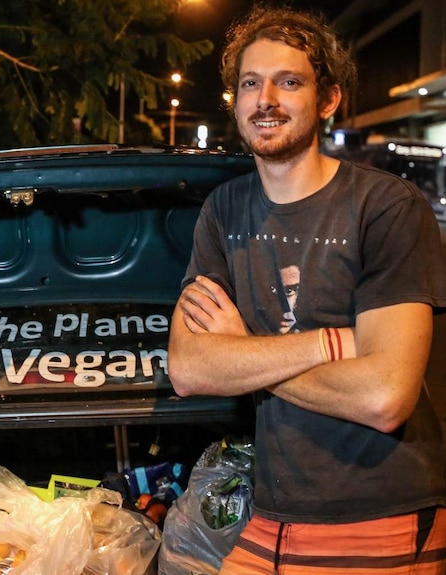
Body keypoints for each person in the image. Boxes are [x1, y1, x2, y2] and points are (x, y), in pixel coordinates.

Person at [168, 6, 446, 574]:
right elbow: (191, 368)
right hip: (272, 512)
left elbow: (385, 397)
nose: (265, 98)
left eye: (288, 81)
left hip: (380, 509)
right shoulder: (224, 211)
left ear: (327, 100)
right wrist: (333, 344)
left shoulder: (386, 208)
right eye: (250, 83)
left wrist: (242, 349)